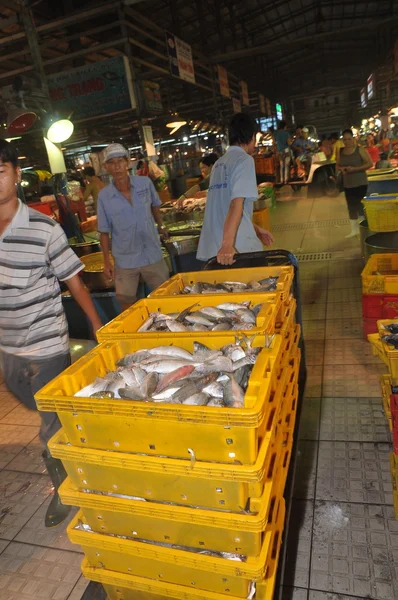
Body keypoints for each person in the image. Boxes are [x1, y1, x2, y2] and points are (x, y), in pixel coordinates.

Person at [0, 139, 102, 528]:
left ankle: (66, 488)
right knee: (37, 405)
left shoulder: (45, 229)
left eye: (0, 172)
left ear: (16, 175)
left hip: (46, 344)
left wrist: (96, 323)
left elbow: (75, 283)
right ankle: (71, 433)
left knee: (49, 422)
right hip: (9, 346)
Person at [97, 143, 169, 311]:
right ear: (106, 167)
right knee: (125, 301)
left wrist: (161, 225)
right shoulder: (104, 196)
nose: (117, 166)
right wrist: (107, 262)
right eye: (111, 162)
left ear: (128, 162)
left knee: (166, 296)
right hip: (125, 258)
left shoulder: (145, 183)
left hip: (151, 252)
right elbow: (104, 232)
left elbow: (155, 206)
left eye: (120, 161)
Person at [196, 113, 274, 266]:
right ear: (252, 136)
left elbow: (225, 208)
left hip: (214, 252)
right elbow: (235, 204)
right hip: (236, 252)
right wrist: (227, 244)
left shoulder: (219, 164)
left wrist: (256, 229)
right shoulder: (244, 160)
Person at [336, 129, 373, 238]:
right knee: (351, 207)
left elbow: (369, 163)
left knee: (361, 207)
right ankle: (354, 230)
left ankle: (364, 230)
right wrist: (342, 169)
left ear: (353, 139)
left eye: (349, 139)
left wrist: (356, 169)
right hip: (348, 184)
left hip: (360, 182)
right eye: (345, 139)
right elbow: (337, 165)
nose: (347, 142)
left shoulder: (360, 149)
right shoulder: (340, 151)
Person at [274, 120, 292, 185]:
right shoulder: (286, 133)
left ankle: (281, 180)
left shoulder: (276, 134)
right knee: (286, 165)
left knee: (281, 166)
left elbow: (274, 143)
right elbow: (289, 143)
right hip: (286, 151)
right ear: (285, 126)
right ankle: (286, 180)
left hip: (280, 152)